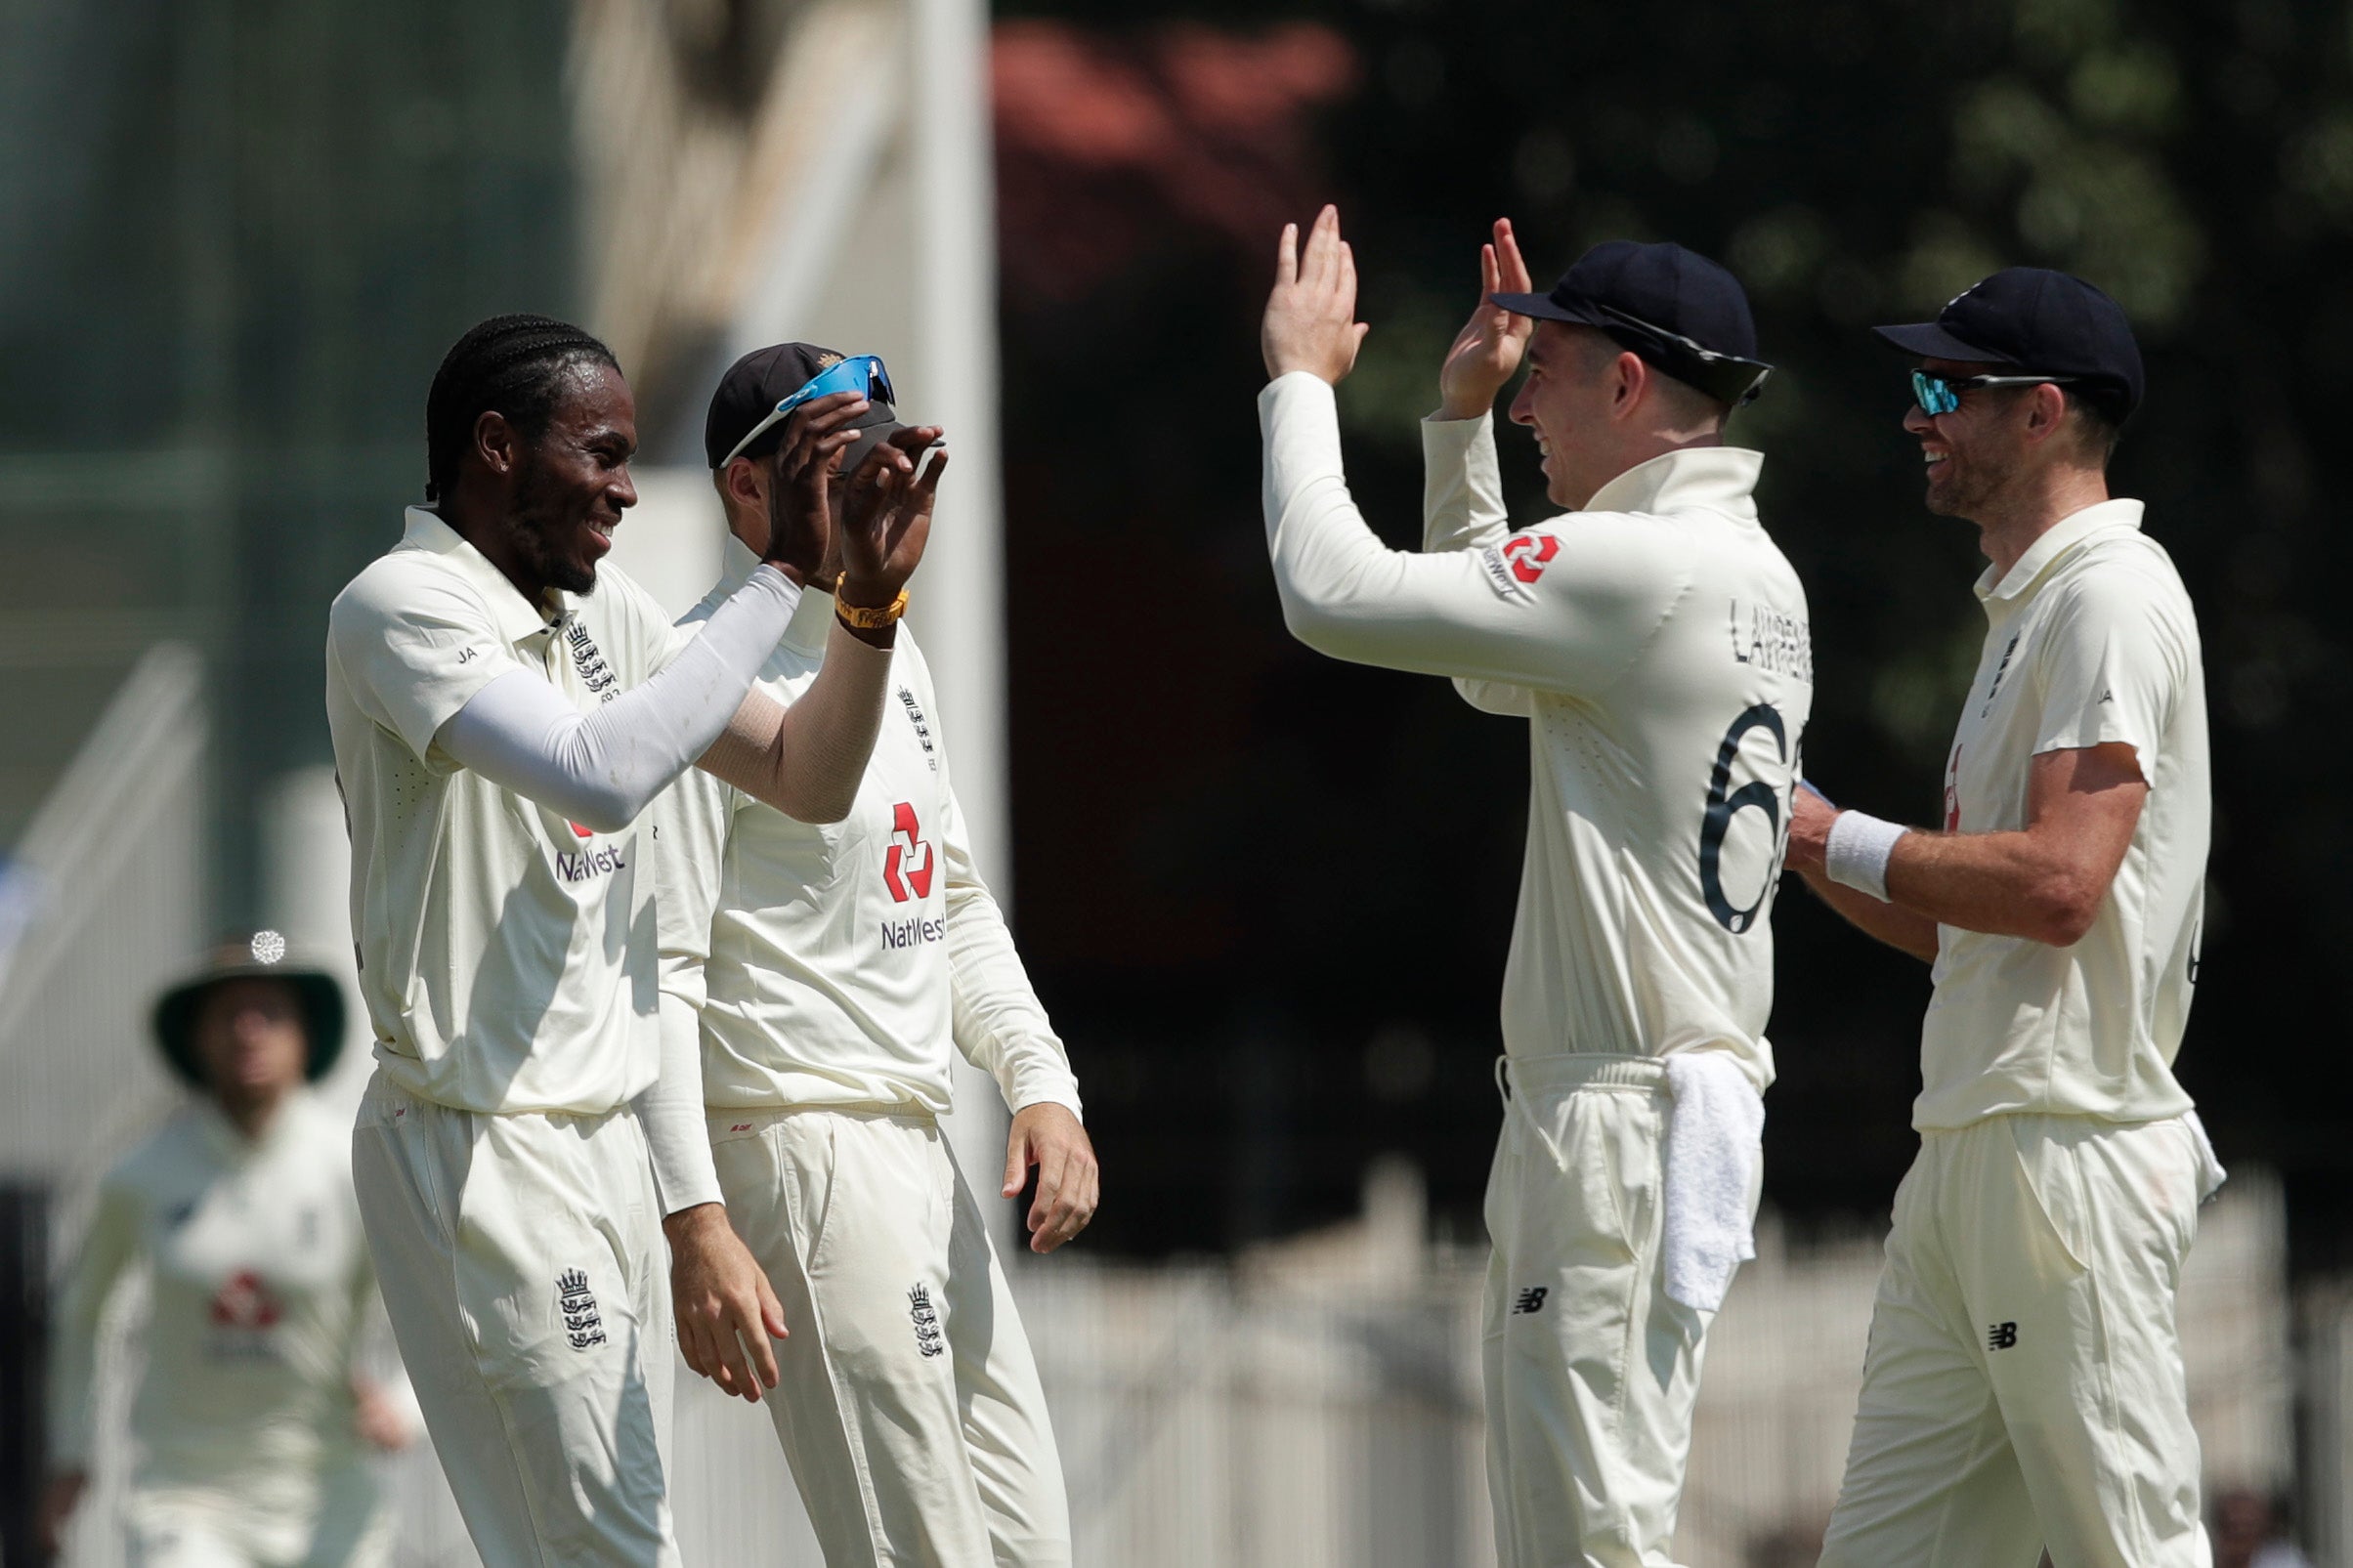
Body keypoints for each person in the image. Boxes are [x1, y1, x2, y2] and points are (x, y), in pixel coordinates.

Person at [324, 314, 942, 1566]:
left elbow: (805, 776)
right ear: (496, 447)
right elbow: (599, 775)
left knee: (604, 1543)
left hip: (598, 1142)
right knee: (610, 1552)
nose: (619, 491)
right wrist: (777, 575)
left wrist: (864, 606)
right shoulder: (399, 605)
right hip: (480, 1140)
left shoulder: (607, 614)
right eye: (599, 455)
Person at [1258, 207, 1812, 1567]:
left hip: (1617, 1126)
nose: (1526, 409)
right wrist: (1457, 426)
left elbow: (1329, 594)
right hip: (1647, 1112)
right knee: (1587, 1532)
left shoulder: (1642, 563)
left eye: (1546, 372)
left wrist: (1296, 382)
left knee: (1590, 1545)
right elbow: (1492, 661)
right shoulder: (1747, 570)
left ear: (1629, 382)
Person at [1787, 269, 2221, 1568]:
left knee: (2134, 1552)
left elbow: (2056, 886)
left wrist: (1825, 832)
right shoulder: (2031, 612)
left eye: (1942, 391)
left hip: (2064, 1151)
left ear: (2040, 414)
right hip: (1974, 1149)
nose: (1916, 417)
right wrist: (1794, 831)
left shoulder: (2107, 593)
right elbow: (1962, 929)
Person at [652, 343, 1094, 1566]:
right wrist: (697, 1223)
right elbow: (662, 976)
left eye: (885, 452)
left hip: (918, 1147)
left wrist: (1040, 1083)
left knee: (1027, 1550)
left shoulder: (894, 656)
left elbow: (946, 900)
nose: (880, 483)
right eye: (836, 460)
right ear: (748, 492)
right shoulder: (694, 678)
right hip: (800, 1150)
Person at [43, 931, 411, 1567]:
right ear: (196, 1036)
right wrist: (72, 1449)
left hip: (327, 1494)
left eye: (269, 1011)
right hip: (185, 1497)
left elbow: (435, 1297)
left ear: (305, 1035)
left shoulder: (353, 1165)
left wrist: (406, 1406)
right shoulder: (140, 1174)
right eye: (228, 1014)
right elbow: (84, 1316)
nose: (248, 1030)